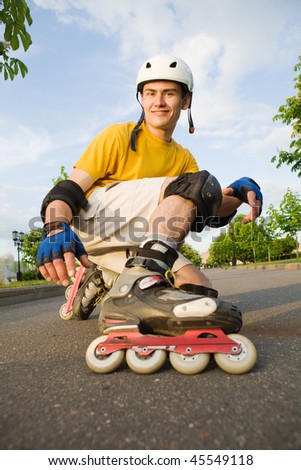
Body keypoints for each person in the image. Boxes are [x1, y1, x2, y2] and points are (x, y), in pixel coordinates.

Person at [37, 54, 262, 333]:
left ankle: (107, 278)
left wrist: (238, 192)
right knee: (195, 184)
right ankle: (132, 293)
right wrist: (55, 226)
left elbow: (208, 208)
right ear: (141, 99)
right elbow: (67, 190)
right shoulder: (117, 136)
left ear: (185, 100)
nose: (159, 102)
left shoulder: (183, 158)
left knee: (198, 293)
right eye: (151, 93)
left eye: (169, 93)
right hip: (95, 226)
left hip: (140, 235)